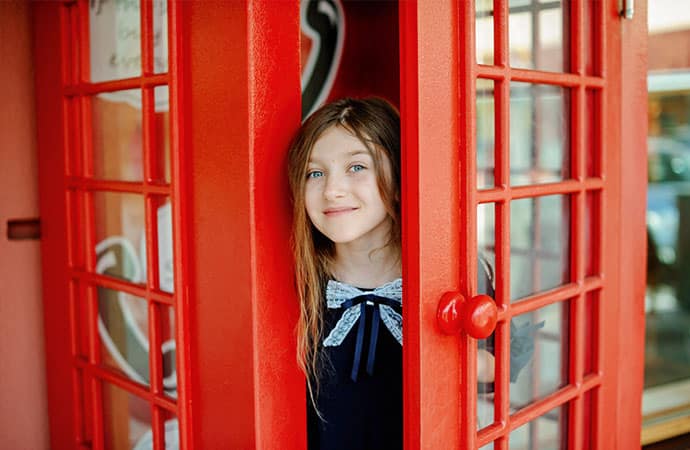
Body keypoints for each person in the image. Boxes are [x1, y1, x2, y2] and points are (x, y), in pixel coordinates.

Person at [287, 97, 532, 449]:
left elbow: (503, 366)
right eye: (315, 173)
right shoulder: (297, 282)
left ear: (401, 179)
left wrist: (465, 363)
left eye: (357, 167)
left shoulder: (455, 275)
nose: (332, 190)